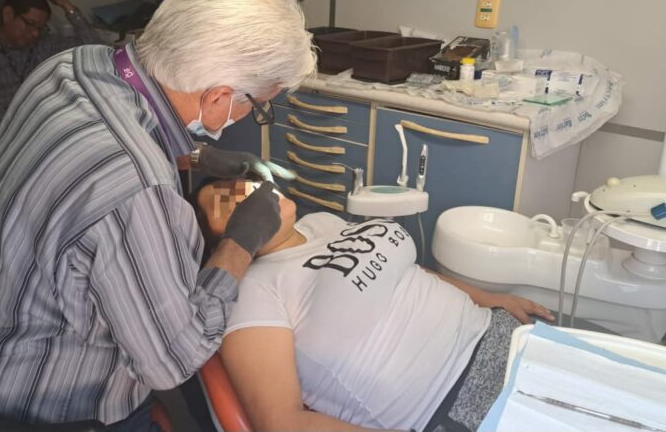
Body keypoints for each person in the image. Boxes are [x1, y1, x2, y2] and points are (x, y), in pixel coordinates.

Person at [0, 0, 316, 430]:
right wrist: (242, 240)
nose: (251, 114)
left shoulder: (72, 66)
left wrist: (199, 156)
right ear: (218, 97)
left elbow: (109, 137)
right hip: (41, 406)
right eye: (256, 106)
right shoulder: (137, 190)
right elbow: (174, 359)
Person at [193, 179, 556, 432]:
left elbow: (406, 272)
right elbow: (282, 423)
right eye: (226, 202)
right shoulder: (250, 293)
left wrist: (490, 299)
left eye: (244, 184)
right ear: (217, 244)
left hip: (501, 336)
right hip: (452, 403)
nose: (248, 195)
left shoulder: (320, 222)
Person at [0, 0, 100, 158]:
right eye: (30, 24)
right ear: (8, 15)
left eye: (40, 27)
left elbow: (93, 50)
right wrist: (31, 131)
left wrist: (66, 5)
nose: (35, 33)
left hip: (42, 123)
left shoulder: (44, 43)